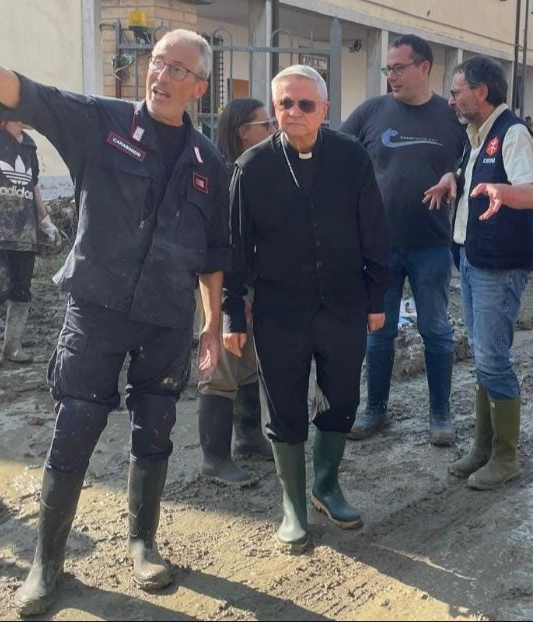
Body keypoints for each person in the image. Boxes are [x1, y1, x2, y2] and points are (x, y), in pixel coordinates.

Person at [0, 24, 230, 614]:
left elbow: (215, 251)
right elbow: (31, 96)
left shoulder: (209, 162)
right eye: (157, 62)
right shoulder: (105, 123)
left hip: (167, 320)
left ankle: (143, 544)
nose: (161, 75)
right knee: (73, 434)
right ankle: (47, 564)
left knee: (155, 432)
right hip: (97, 310)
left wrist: (212, 324)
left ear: (198, 85)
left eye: (177, 69)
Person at [224, 65, 390, 553]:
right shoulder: (251, 168)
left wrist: (378, 296)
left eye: (305, 104)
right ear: (274, 111)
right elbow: (235, 250)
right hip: (281, 310)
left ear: (325, 110)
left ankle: (326, 485)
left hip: (344, 304)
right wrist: (233, 313)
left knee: (340, 399)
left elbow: (374, 230)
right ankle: (293, 505)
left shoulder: (351, 158)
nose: (293, 112)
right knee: (287, 405)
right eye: (284, 104)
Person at [423, 56, 533, 491]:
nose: (451, 99)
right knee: (482, 356)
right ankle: (483, 448)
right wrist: (452, 178)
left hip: (499, 266)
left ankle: (505, 457)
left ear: (481, 92)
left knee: (493, 358)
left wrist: (500, 191)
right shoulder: (477, 136)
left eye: (457, 91)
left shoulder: (512, 133)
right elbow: (474, 177)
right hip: (473, 260)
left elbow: (530, 193)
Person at [341, 34, 465, 445]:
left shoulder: (450, 118)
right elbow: (337, 156)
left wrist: (457, 179)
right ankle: (374, 410)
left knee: (435, 329)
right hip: (379, 247)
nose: (391, 75)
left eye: (399, 67)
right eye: (387, 68)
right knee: (379, 332)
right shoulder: (372, 112)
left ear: (425, 66)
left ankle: (441, 415)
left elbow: (475, 164)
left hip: (431, 244)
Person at [197, 98, 275, 485]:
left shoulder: (252, 172)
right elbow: (223, 242)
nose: (273, 131)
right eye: (267, 124)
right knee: (222, 365)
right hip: (222, 282)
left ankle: (248, 435)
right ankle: (215, 456)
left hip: (246, 283)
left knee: (246, 360)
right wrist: (232, 296)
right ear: (244, 132)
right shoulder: (226, 177)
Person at [0, 112, 62, 366]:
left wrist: (44, 219)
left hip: (23, 230)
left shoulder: (28, 145)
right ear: (8, 112)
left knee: (21, 289)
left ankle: (13, 347)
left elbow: (33, 183)